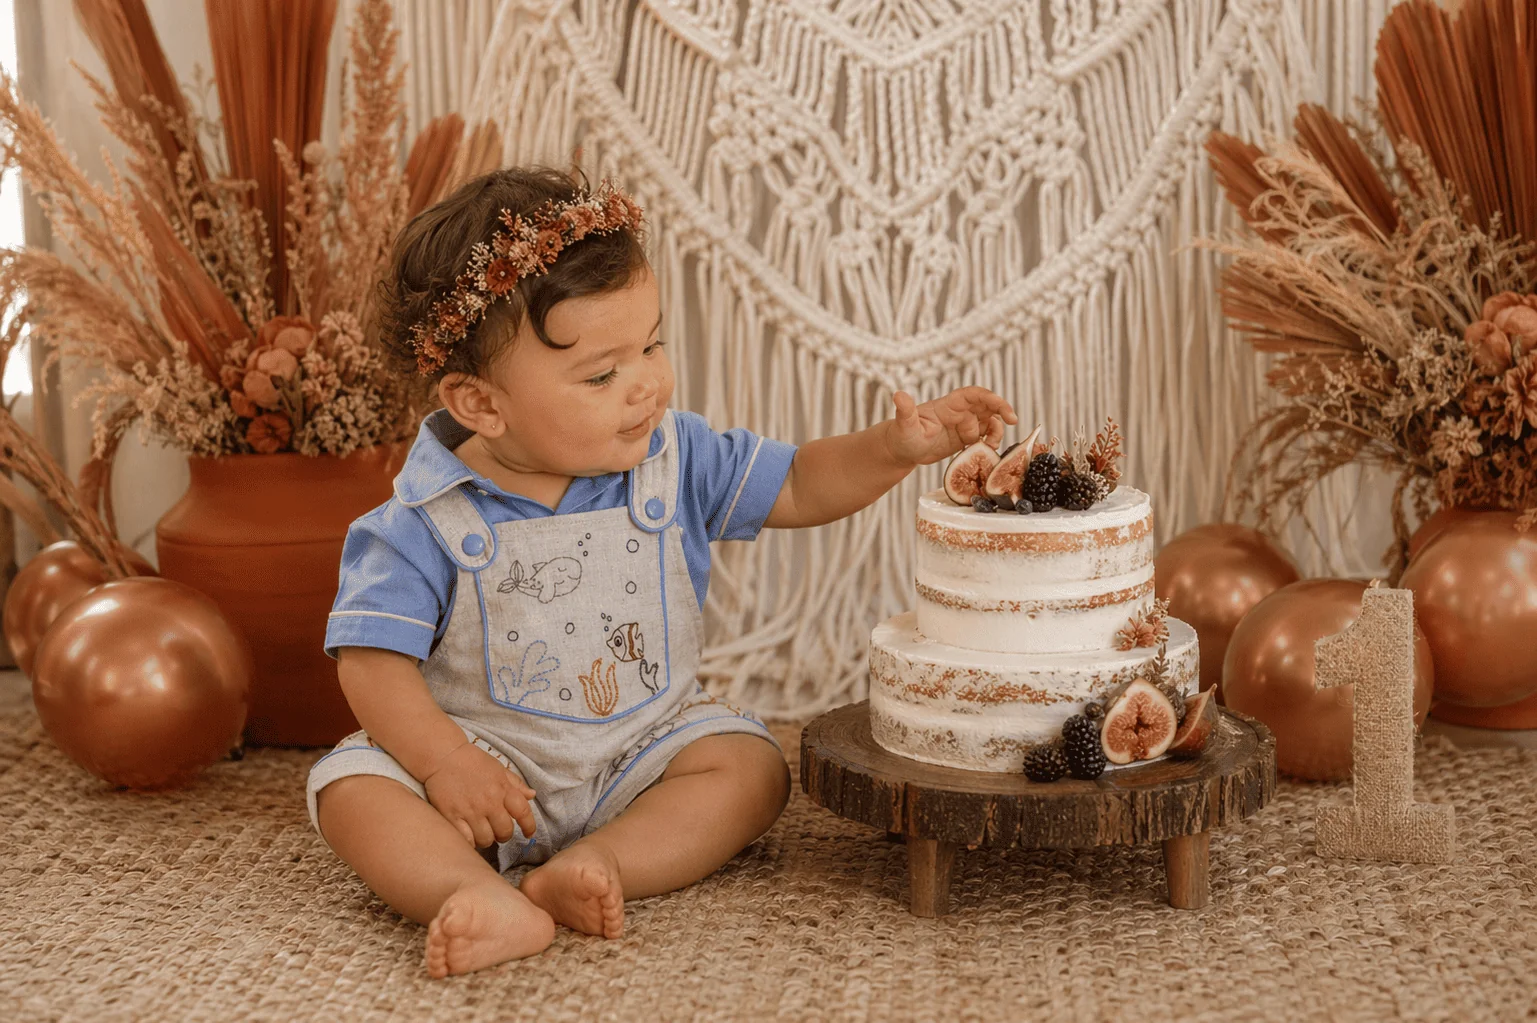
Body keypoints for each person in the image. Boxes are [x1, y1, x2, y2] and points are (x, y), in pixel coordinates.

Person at [307, 167, 1016, 977]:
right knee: (350, 790)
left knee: (748, 767)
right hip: (481, 773)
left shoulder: (672, 460)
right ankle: (471, 891)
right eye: (602, 375)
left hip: (642, 752)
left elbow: (796, 482)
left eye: (650, 344)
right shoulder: (419, 519)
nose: (646, 383)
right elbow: (371, 659)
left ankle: (601, 862)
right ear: (479, 404)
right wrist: (442, 762)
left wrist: (894, 448)